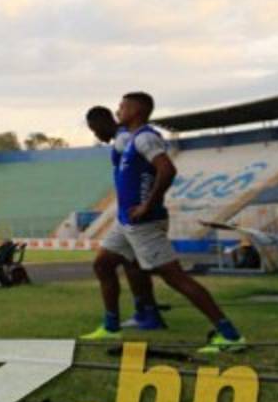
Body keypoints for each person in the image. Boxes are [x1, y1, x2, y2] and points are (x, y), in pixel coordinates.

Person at [80, 93, 245, 354]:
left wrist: (147, 204)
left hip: (143, 223)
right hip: (126, 222)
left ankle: (230, 335)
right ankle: (111, 325)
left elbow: (167, 169)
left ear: (134, 110)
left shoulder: (145, 137)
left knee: (175, 278)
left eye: (122, 106)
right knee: (103, 263)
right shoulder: (132, 139)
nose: (118, 111)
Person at [84, 105, 167, 330]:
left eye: (94, 130)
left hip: (137, 216)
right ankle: (144, 313)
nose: (96, 136)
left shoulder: (123, 140)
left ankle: (146, 313)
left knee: (165, 272)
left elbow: (153, 169)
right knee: (122, 264)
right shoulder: (123, 138)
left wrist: (145, 203)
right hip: (128, 215)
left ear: (101, 123)